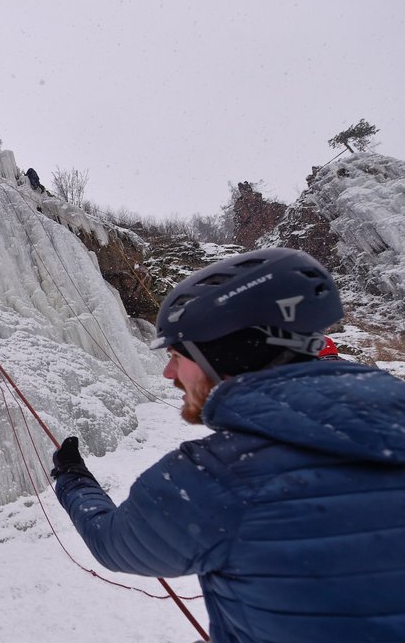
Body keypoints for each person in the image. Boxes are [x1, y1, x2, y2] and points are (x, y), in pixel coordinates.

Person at [51, 247, 405, 642]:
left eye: (176, 355)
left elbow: (112, 542)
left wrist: (73, 479)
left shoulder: (215, 478)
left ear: (222, 355)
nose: (169, 373)